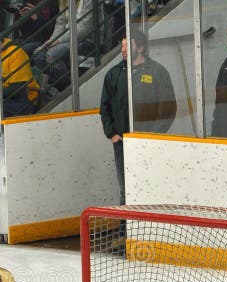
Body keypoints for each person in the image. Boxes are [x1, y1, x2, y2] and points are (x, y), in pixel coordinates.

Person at [99, 29, 176, 204]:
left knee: (150, 188)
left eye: (127, 45)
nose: (123, 49)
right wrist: (112, 134)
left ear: (140, 48)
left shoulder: (157, 72)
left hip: (149, 143)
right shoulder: (113, 74)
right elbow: (105, 108)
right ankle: (124, 231)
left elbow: (168, 109)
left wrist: (152, 136)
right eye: (122, 45)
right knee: (126, 191)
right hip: (122, 142)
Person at [32, 0, 98, 91]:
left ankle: (65, 87)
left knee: (52, 55)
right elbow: (61, 22)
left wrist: (59, 40)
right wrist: (53, 40)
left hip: (86, 39)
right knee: (37, 53)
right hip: (66, 38)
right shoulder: (64, 1)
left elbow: (85, 28)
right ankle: (53, 85)